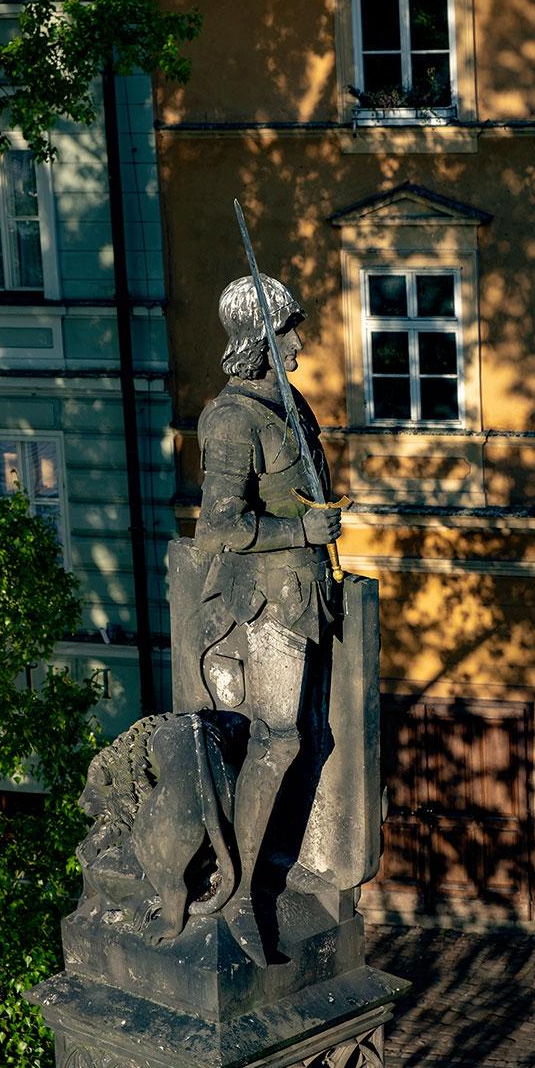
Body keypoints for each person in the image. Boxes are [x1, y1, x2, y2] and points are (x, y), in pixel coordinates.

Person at [192, 273, 341, 965]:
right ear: (260, 339)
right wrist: (303, 535)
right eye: (287, 332)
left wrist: (317, 523)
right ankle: (240, 891)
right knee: (276, 740)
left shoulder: (285, 402)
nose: (300, 343)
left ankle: (279, 868)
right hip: (261, 604)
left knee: (310, 737)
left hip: (304, 595)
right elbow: (218, 530)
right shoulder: (231, 420)